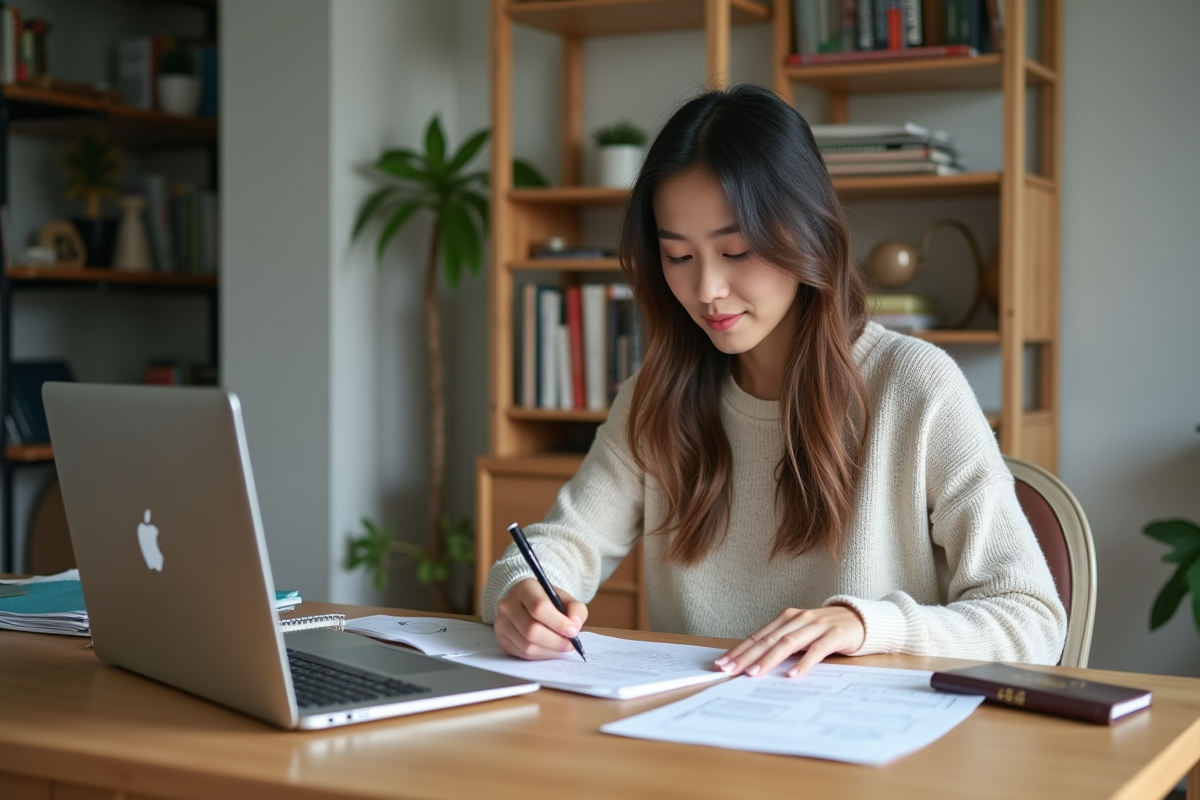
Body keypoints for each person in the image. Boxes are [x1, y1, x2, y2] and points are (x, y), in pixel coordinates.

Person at [482, 84, 1066, 678]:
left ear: (805, 231)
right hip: (696, 747)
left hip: (871, 752)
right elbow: (561, 545)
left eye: (735, 251)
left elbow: (1032, 621)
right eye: (678, 257)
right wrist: (524, 593)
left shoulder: (915, 387)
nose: (706, 289)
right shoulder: (654, 398)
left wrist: (866, 626)